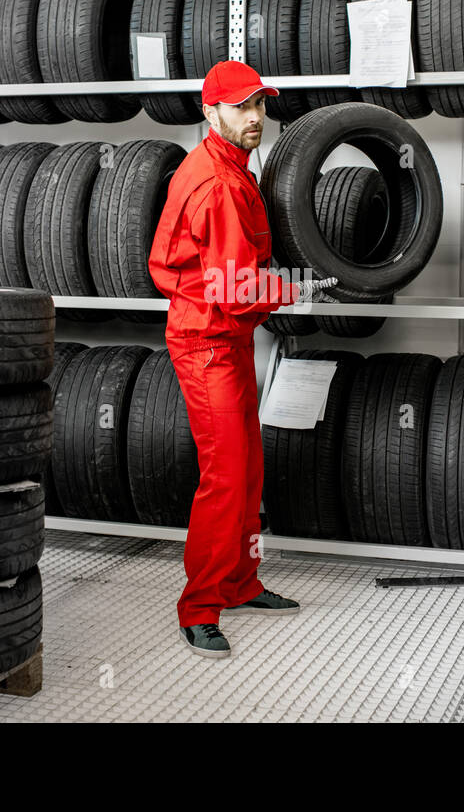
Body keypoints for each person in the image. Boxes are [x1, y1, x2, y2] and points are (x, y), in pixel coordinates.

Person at [147, 60, 338, 659]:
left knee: (249, 470)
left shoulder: (234, 166)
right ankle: (200, 606)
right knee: (226, 479)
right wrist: (297, 288)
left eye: (259, 104)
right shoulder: (220, 184)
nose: (255, 118)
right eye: (240, 107)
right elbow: (234, 288)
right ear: (211, 112)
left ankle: (242, 581)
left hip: (226, 336)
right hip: (207, 343)